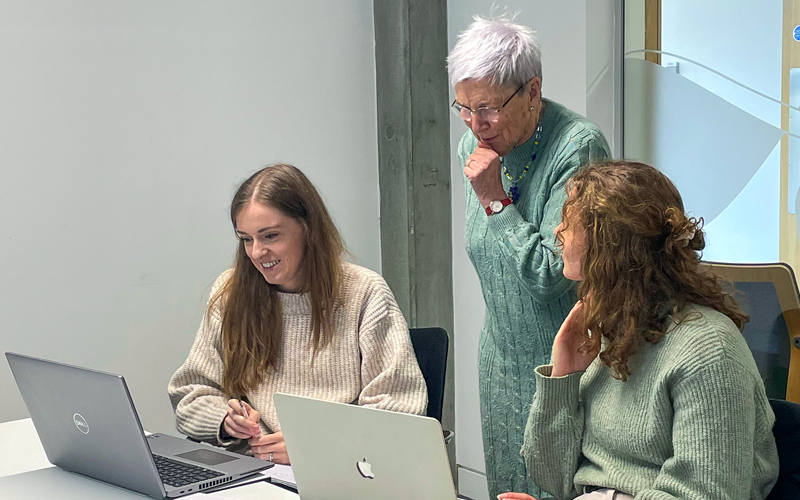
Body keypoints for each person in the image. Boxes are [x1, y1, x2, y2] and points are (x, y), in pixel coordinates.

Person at [500, 161, 779, 500]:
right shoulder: (612, 330)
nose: (557, 232)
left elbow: (707, 494)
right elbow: (551, 477)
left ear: (610, 246)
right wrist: (563, 375)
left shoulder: (708, 348)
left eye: (567, 223)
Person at [447, 14, 611, 499]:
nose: (476, 125)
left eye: (488, 109)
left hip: (565, 362)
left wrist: (496, 200)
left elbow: (548, 275)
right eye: (463, 107)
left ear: (532, 92)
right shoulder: (471, 146)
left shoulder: (578, 147)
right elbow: (491, 259)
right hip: (499, 359)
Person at [168, 163, 427, 464]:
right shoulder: (230, 291)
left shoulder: (364, 292)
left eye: (270, 236)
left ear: (308, 230)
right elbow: (190, 392)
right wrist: (225, 420)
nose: (256, 252)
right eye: (246, 239)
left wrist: (314, 445)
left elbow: (399, 409)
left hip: (339, 470)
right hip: (252, 469)